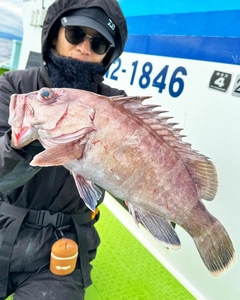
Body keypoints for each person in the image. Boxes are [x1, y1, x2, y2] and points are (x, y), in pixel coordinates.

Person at [0, 0, 127, 299]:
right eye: (75, 34)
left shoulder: (116, 105)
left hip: (64, 243)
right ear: (55, 32)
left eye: (98, 43)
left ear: (107, 55)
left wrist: (164, 206)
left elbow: (131, 171)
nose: (84, 48)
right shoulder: (15, 87)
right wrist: (24, 141)